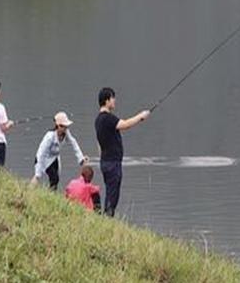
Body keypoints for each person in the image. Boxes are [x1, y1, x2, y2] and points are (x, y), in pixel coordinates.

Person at [95, 87, 150, 217]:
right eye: (113, 98)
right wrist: (141, 116)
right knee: (113, 194)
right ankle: (108, 218)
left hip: (105, 161)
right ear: (107, 100)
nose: (115, 101)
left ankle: (106, 217)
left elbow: (99, 142)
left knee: (110, 192)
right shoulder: (108, 118)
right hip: (112, 163)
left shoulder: (98, 120)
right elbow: (125, 124)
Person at [30, 111, 88, 190]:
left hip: (54, 158)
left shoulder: (66, 133)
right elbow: (41, 152)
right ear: (58, 126)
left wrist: (80, 158)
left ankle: (52, 194)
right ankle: (29, 191)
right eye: (64, 126)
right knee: (39, 176)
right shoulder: (50, 137)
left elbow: (73, 143)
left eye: (66, 126)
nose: (65, 128)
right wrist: (39, 168)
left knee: (56, 179)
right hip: (44, 158)